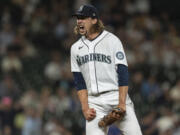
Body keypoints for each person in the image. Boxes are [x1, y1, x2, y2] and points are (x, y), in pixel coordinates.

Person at [70, 4, 142, 135]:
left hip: (115, 95)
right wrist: (85, 107)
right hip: (94, 103)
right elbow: (79, 81)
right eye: (77, 18)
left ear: (94, 20)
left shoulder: (112, 41)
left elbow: (123, 73)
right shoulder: (75, 48)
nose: (79, 21)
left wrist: (121, 103)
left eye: (83, 17)